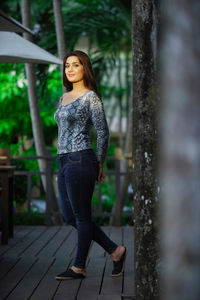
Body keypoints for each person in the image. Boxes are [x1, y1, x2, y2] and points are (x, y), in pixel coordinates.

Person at [54, 50, 127, 280]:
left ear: (85, 67)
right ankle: (116, 250)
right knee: (69, 216)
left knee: (82, 216)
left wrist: (100, 162)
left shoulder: (90, 97)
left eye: (75, 65)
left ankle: (78, 266)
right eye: (67, 66)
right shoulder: (63, 97)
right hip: (63, 160)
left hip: (81, 159)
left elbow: (103, 131)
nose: (70, 69)